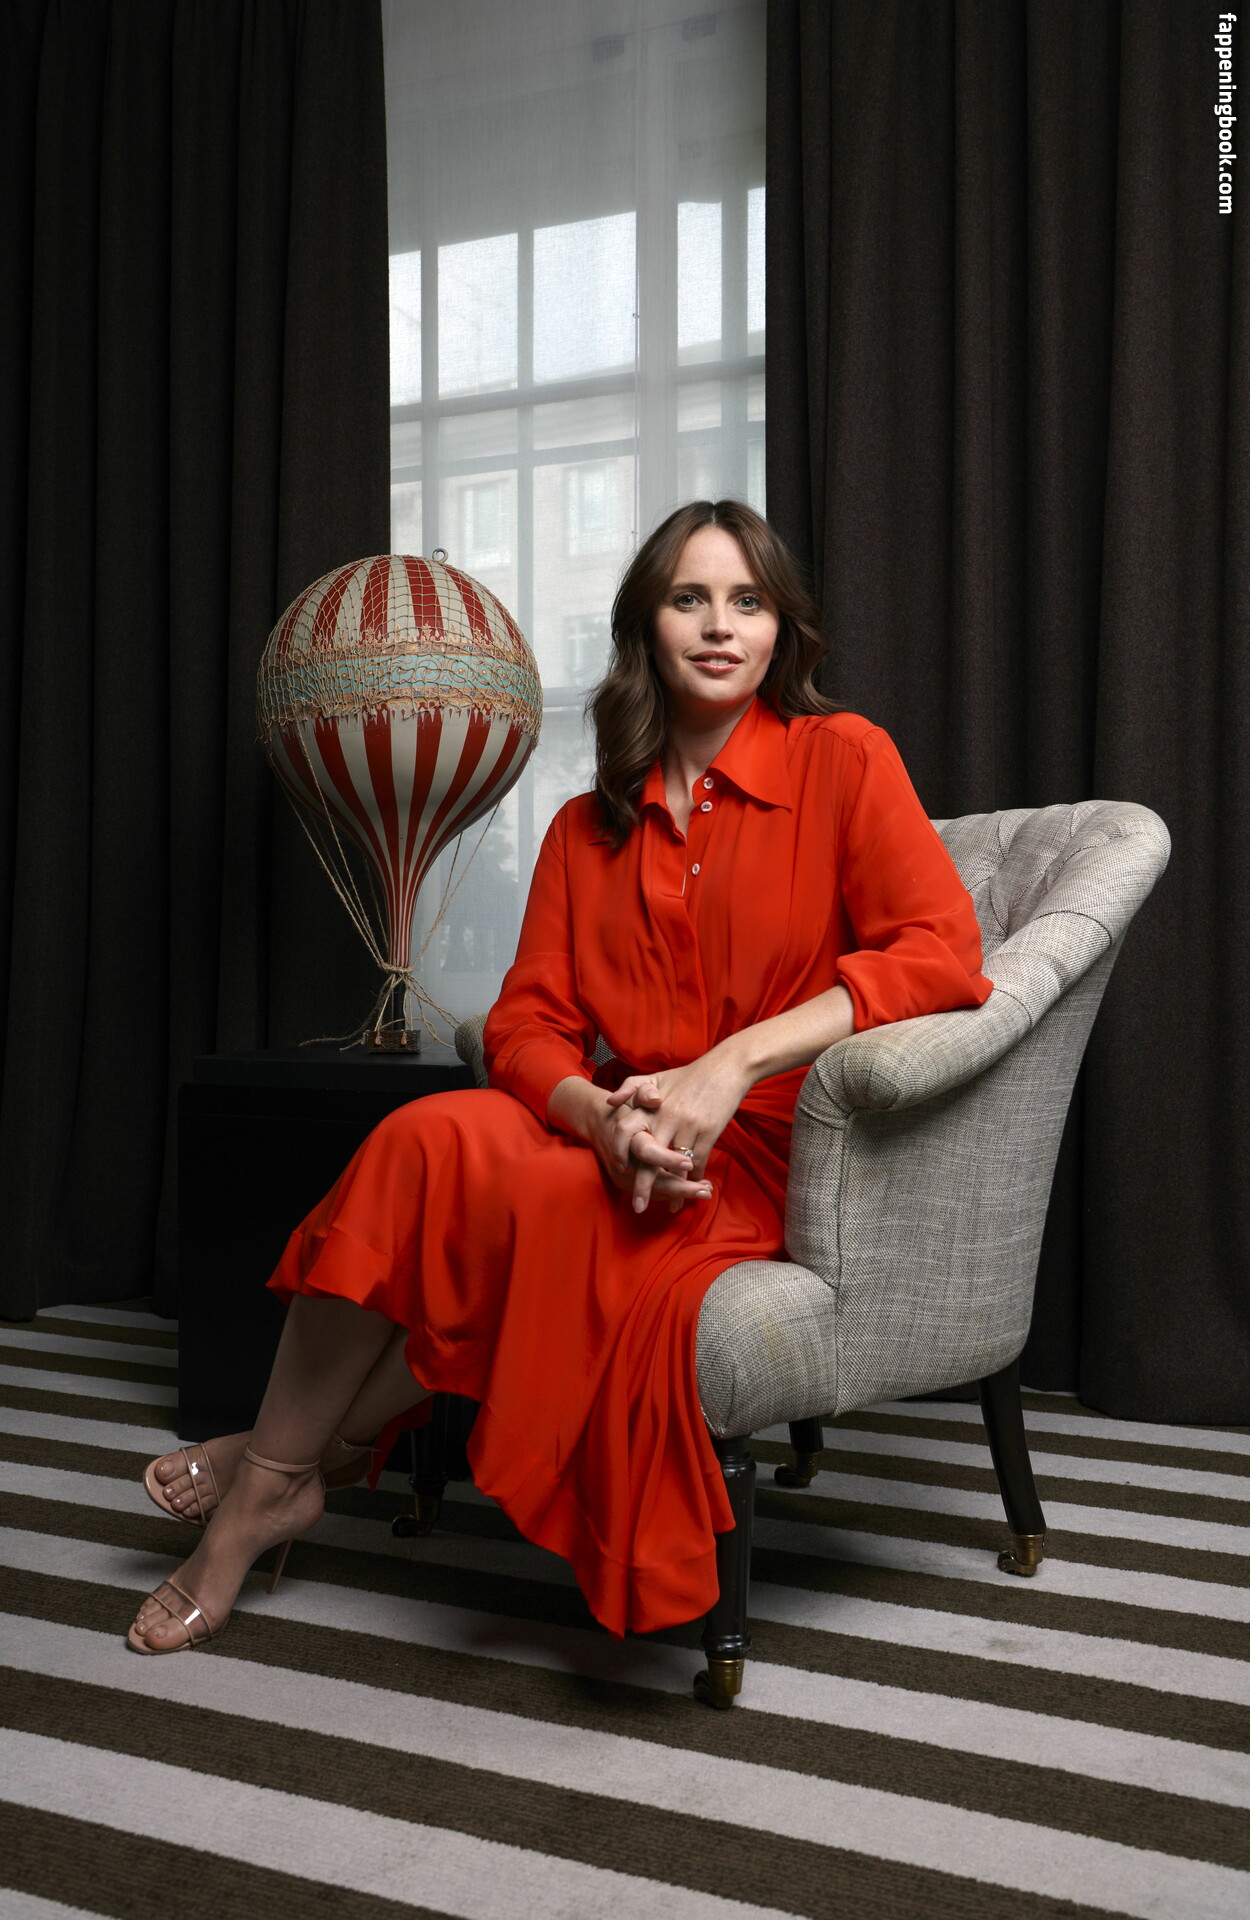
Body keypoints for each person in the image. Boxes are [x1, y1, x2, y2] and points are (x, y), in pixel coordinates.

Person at [130, 499, 993, 1654]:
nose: (720, 625)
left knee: (536, 1205)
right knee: (422, 1139)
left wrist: (729, 1063)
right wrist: (591, 1113)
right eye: (689, 599)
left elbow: (939, 957)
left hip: (750, 1155)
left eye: (747, 601)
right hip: (612, 1125)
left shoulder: (844, 759)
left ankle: (256, 1494)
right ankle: (290, 1470)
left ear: (781, 628)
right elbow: (524, 1025)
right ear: (645, 626)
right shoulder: (585, 826)